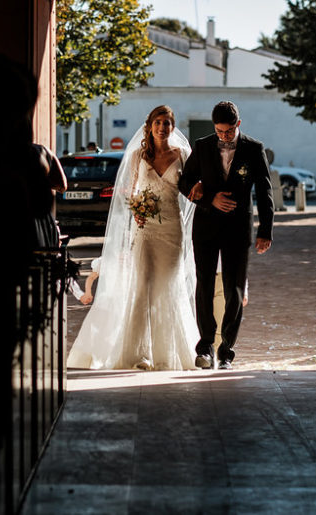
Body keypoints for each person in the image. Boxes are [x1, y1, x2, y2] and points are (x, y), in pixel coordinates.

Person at [67, 105, 200, 370]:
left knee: (168, 287)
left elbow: (193, 190)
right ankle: (139, 354)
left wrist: (198, 190)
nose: (163, 128)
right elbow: (128, 191)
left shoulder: (184, 155)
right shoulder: (139, 155)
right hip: (145, 229)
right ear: (150, 125)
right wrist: (137, 208)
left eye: (167, 123)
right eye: (158, 122)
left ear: (173, 127)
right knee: (141, 288)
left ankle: (169, 352)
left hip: (172, 228)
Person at [178, 101, 274, 369]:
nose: (224, 136)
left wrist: (265, 231)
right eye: (219, 131)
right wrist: (209, 199)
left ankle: (227, 350)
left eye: (229, 131)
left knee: (234, 289)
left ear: (238, 125)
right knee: (205, 285)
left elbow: (265, 192)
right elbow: (184, 181)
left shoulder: (254, 149)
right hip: (206, 227)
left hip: (238, 228)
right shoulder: (202, 146)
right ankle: (205, 346)